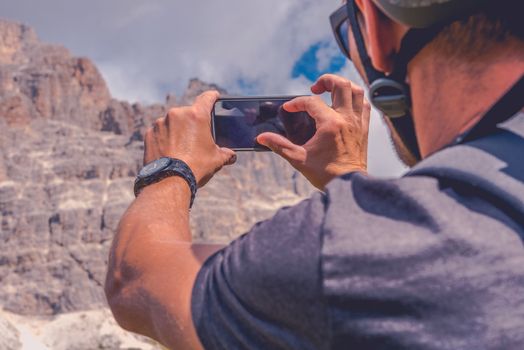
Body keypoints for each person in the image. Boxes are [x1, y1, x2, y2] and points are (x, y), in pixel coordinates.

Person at [105, 0, 524, 349]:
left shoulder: (338, 255)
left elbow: (136, 282)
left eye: (348, 32)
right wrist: (348, 180)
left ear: (377, 29)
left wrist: (169, 168)